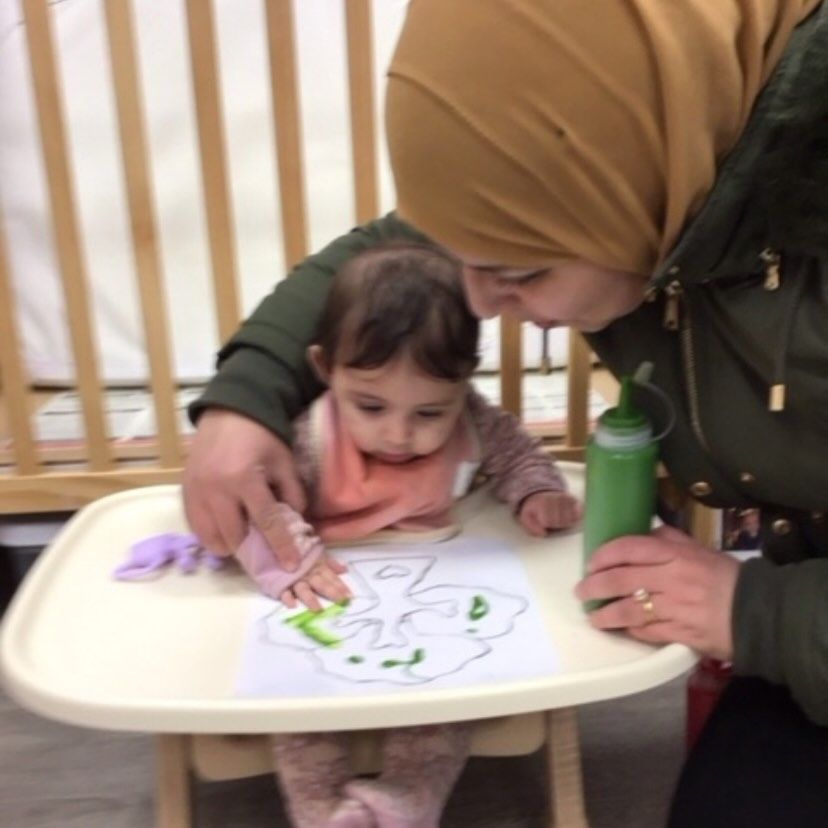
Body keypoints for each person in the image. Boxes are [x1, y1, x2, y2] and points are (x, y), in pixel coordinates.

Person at [184, 1, 828, 824]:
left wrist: (760, 614)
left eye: (518, 272)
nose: (477, 303)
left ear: (635, 180)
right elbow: (388, 253)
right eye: (470, 261)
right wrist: (242, 402)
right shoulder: (666, 174)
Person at [231, 242, 579, 828]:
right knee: (299, 711)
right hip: (335, 592)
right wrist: (290, 560)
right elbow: (255, 510)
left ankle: (408, 800)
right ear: (325, 370)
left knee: (445, 708)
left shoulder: (472, 418)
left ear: (463, 386)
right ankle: (320, 811)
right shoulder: (310, 438)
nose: (397, 434)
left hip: (438, 595)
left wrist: (537, 492)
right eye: (370, 406)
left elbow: (517, 453)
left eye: (428, 414)